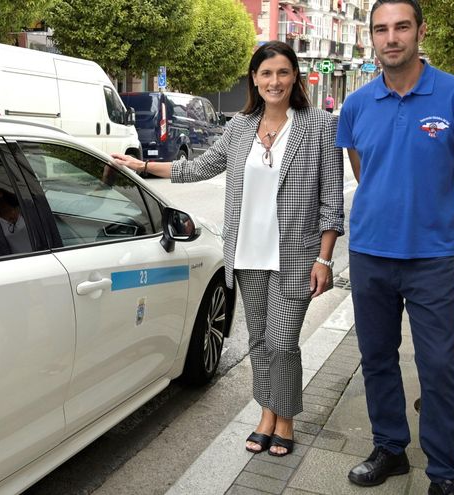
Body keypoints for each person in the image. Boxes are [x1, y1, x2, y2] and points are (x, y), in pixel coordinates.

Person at [112, 41, 344, 458]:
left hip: (296, 256)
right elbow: (201, 166)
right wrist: (142, 167)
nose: (275, 81)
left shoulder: (321, 126)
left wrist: (324, 259)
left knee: (283, 343)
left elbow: (332, 201)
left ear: (295, 77)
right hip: (248, 253)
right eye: (266, 73)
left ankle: (285, 418)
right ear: (255, 79)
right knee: (258, 340)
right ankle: (266, 413)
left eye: (283, 72)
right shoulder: (240, 126)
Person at [335, 1, 454, 494]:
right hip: (370, 254)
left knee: (438, 365)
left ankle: (445, 474)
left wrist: (431, 218)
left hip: (431, 257)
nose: (391, 37)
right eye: (381, 29)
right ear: (372, 38)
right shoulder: (357, 104)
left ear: (419, 31)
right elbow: (365, 170)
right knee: (376, 356)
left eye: (401, 27)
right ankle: (391, 448)